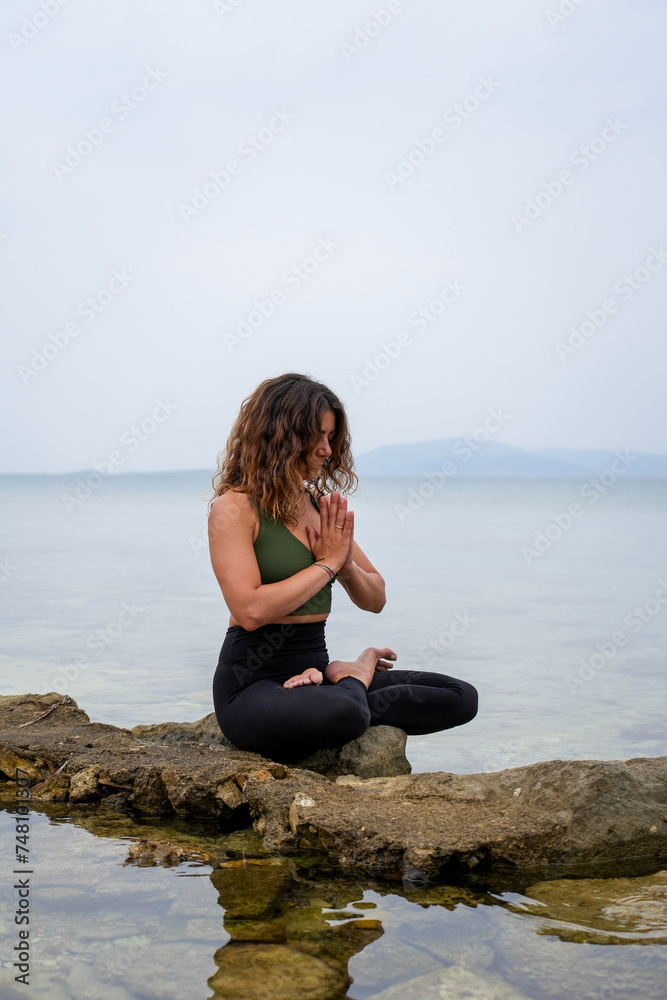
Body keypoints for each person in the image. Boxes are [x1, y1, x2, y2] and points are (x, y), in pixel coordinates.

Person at [208, 372, 477, 763]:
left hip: (316, 669)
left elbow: (376, 597)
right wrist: (328, 563)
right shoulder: (234, 508)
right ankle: (353, 676)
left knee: (460, 698)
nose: (327, 450)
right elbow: (249, 611)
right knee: (346, 712)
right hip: (251, 683)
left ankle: (336, 680)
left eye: (331, 438)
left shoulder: (318, 505)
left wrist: (345, 564)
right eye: (316, 437)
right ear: (281, 436)